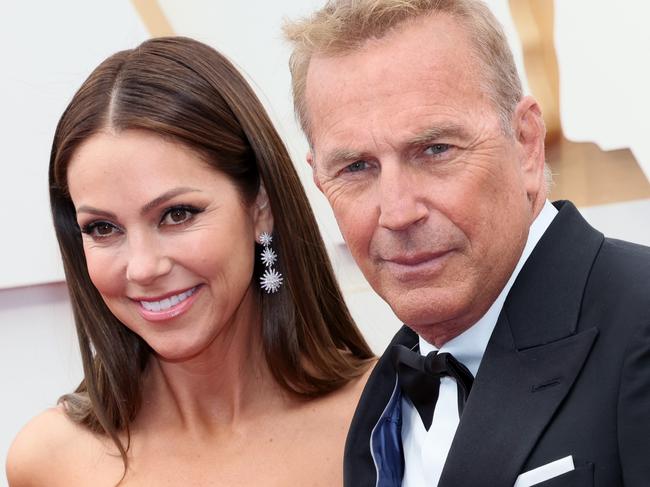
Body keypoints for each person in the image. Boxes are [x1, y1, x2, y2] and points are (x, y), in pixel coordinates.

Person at [284, 0, 650, 485]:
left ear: (526, 143)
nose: (397, 213)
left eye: (435, 150)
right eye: (356, 167)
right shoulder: (375, 405)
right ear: (318, 178)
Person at [6, 36, 374, 486]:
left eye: (177, 215)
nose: (142, 267)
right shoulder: (51, 461)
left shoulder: (389, 418)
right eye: (103, 228)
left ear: (260, 206)